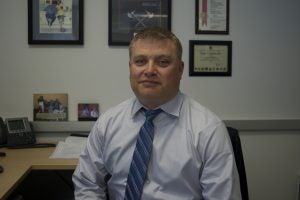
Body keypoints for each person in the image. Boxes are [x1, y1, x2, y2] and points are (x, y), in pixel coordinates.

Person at [72, 27, 242, 200]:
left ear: (180, 69)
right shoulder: (107, 123)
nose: (150, 70)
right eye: (140, 61)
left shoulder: (209, 129)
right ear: (130, 68)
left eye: (163, 62)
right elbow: (87, 183)